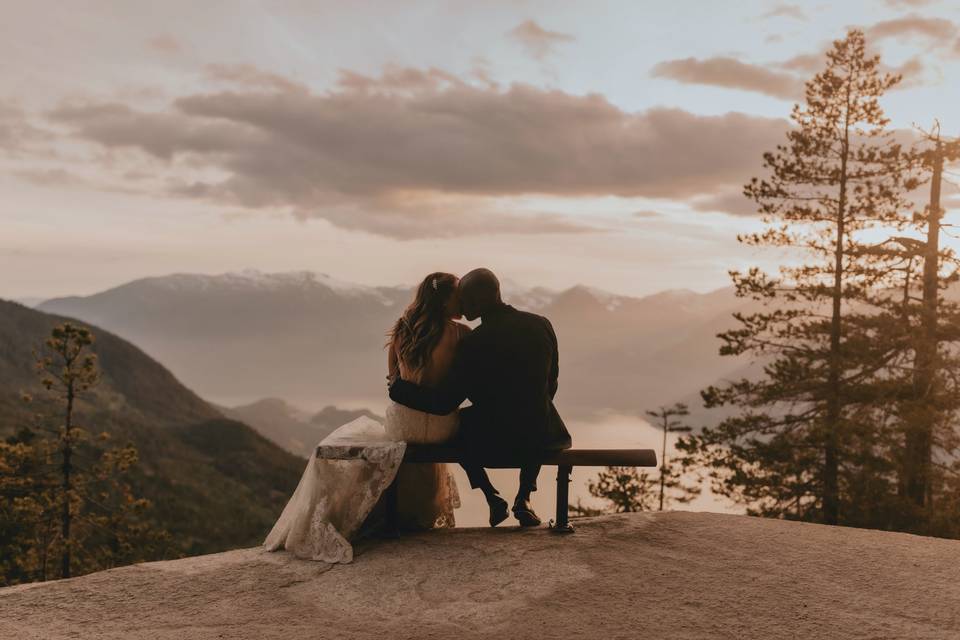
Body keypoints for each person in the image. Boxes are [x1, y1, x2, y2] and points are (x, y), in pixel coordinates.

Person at [265, 272, 465, 562]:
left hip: (404, 425)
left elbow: (392, 381)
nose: (463, 299)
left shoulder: (403, 329)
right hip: (442, 426)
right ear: (445, 298)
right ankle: (418, 510)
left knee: (377, 435)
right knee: (443, 428)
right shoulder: (462, 333)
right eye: (458, 294)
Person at [389, 268, 571, 527]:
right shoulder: (540, 324)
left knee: (458, 425)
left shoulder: (473, 343)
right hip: (543, 436)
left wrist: (398, 390)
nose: (464, 305)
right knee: (536, 410)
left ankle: (491, 495)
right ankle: (524, 497)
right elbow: (551, 382)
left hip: (491, 437)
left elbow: (443, 403)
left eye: (467, 300)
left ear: (475, 301)